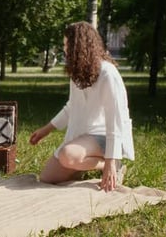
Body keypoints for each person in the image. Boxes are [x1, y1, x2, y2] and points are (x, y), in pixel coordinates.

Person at [29, 21, 134, 192]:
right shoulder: (77, 73)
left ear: (79, 46)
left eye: (67, 45)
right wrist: (46, 129)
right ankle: (90, 164)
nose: (65, 50)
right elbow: (71, 106)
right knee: (47, 178)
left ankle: (114, 164)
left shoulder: (108, 73)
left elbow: (115, 119)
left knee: (68, 155)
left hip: (106, 137)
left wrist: (110, 162)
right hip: (84, 137)